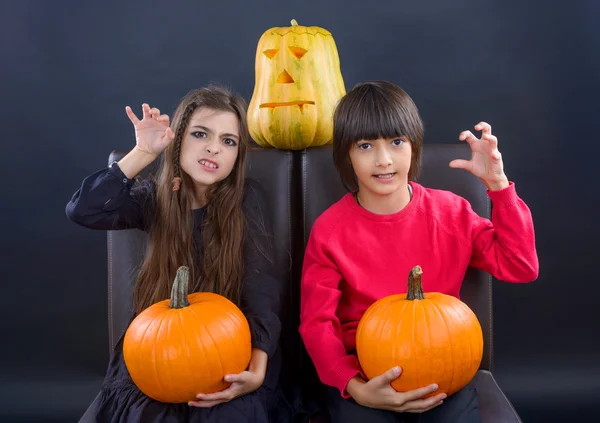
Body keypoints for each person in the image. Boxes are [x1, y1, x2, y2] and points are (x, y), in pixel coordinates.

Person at [298, 80, 539, 423]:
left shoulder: (451, 213)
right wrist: (354, 386)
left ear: (413, 146)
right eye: (365, 146)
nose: (383, 160)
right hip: (367, 375)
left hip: (441, 371)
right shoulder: (330, 230)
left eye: (396, 143)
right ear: (346, 156)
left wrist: (498, 187)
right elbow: (316, 323)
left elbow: (521, 266)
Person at [66, 85, 291, 423]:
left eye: (228, 141)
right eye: (201, 134)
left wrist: (257, 370)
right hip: (160, 348)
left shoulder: (246, 200)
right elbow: (84, 210)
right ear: (178, 139)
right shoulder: (154, 200)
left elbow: (262, 292)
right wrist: (143, 152)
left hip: (230, 351)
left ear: (237, 156)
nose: (214, 148)